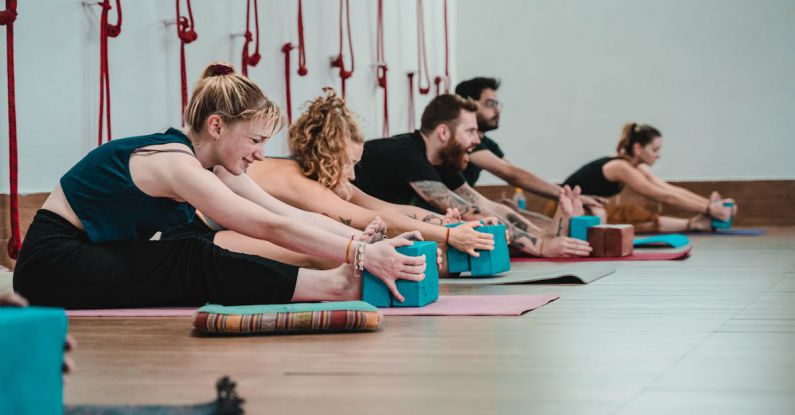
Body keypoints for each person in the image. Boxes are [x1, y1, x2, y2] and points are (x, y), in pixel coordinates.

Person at [12, 62, 425, 309]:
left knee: (192, 250)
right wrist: (360, 256)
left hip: (93, 252)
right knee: (191, 256)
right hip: (51, 262)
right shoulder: (176, 164)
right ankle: (334, 286)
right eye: (256, 141)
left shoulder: (215, 166)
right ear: (217, 126)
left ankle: (338, 279)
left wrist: (366, 241)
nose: (261, 155)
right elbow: (266, 228)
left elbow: (286, 213)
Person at [214, 89, 496, 269]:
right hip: (206, 239)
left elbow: (384, 209)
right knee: (325, 254)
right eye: (349, 164)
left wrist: (451, 224)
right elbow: (361, 218)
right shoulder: (298, 180)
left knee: (340, 246)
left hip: (237, 232)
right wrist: (447, 236)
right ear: (329, 157)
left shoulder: (324, 178)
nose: (351, 174)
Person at [353, 94, 592, 258]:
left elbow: (486, 205)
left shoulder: (441, 161)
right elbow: (470, 212)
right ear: (443, 132)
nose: (477, 140)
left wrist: (546, 234)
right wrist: (540, 247)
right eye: (470, 131)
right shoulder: (407, 153)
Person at [454, 77, 605, 216]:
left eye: (497, 104)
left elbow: (514, 171)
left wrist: (570, 197)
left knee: (515, 213)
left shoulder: (486, 143)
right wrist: (567, 196)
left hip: (464, 207)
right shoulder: (463, 140)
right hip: (450, 214)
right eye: (490, 104)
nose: (497, 110)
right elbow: (512, 174)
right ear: (470, 104)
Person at [561, 123, 737, 232]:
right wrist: (709, 209)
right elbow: (660, 196)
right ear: (638, 148)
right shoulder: (620, 166)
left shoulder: (635, 166)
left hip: (585, 207)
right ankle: (695, 223)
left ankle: (697, 223)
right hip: (562, 209)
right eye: (655, 150)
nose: (658, 155)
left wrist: (710, 205)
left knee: (630, 213)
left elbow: (667, 188)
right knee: (630, 215)